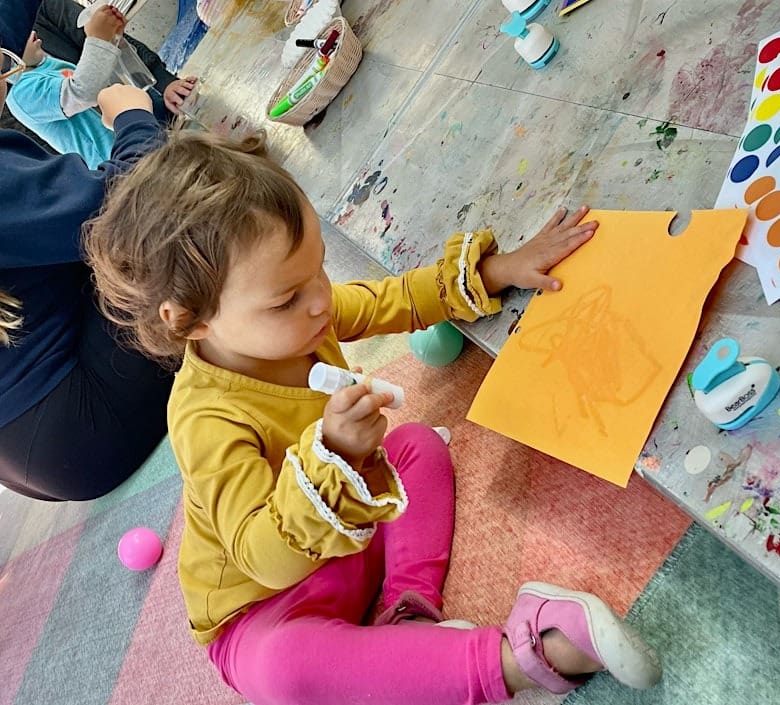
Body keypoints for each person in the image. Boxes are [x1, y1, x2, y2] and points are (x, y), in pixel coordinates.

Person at [83, 130, 663, 705]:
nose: (319, 300)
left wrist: (498, 271)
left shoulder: (310, 313)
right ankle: (524, 655)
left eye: (318, 270)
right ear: (190, 321)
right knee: (281, 674)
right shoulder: (204, 418)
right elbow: (262, 554)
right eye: (286, 298)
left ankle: (409, 612)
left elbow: (397, 299)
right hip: (264, 604)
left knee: (416, 446)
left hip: (348, 545)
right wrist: (330, 456)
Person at [0, 0, 172, 501]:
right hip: (86, 424)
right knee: (184, 226)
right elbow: (140, 199)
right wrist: (135, 120)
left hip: (36, 460)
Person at [5, 6, 131, 168]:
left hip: (132, 134)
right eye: (20, 36)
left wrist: (112, 37)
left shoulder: (42, 63)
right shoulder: (21, 94)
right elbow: (83, 92)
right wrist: (99, 40)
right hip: (119, 159)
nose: (33, 32)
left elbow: (100, 82)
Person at [33, 0, 196, 121]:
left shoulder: (37, 8)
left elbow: (110, 31)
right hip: (126, 149)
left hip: (152, 101)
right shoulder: (15, 95)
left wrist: (164, 82)